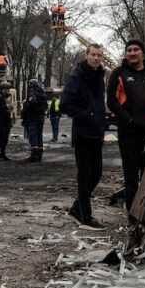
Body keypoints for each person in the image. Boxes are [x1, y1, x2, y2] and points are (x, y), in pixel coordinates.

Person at [107, 39, 145, 220]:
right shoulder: (119, 73)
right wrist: (128, 120)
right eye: (129, 50)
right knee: (131, 176)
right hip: (129, 133)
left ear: (142, 53)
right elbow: (112, 101)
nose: (132, 53)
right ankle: (134, 216)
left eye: (136, 49)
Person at [60, 43, 109, 229]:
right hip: (82, 132)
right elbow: (65, 104)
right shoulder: (77, 75)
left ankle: (76, 208)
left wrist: (101, 119)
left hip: (96, 132)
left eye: (99, 55)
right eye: (93, 55)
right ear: (86, 55)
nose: (96, 58)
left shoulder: (100, 76)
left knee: (96, 174)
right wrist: (87, 115)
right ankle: (85, 217)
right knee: (84, 174)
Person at [21, 79, 47, 162]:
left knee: (33, 136)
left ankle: (34, 155)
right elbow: (45, 107)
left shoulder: (33, 93)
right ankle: (39, 154)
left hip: (33, 118)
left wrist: (27, 105)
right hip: (40, 118)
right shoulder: (42, 95)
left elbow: (33, 102)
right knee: (39, 136)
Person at [0, 83, 14, 161]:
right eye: (6, 89)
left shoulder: (8, 97)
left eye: (8, 89)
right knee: (0, 136)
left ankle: (3, 153)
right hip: (0, 119)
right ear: (2, 90)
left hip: (7, 119)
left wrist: (11, 107)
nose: (7, 91)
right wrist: (5, 106)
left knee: (5, 137)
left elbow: (10, 107)